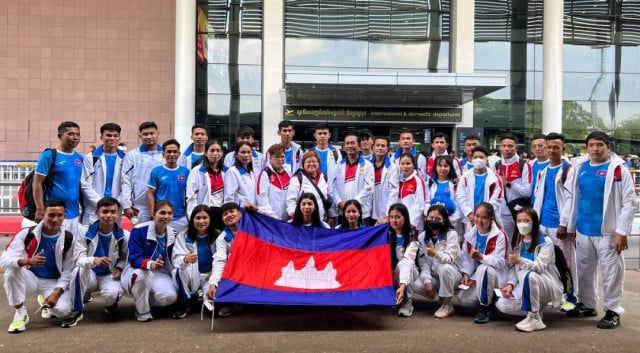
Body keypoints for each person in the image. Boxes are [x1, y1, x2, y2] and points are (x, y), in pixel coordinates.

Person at [558, 131, 636, 329]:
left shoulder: (618, 170)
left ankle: (612, 310)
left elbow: (629, 202)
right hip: (583, 230)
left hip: (608, 232)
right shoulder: (581, 168)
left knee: (612, 272)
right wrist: (568, 224)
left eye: (600, 144)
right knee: (584, 270)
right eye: (591, 145)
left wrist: (622, 232)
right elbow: (573, 199)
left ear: (608, 146)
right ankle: (587, 304)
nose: (595, 148)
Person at [1, 199, 77, 332]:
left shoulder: (69, 239)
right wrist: (27, 261)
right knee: (11, 272)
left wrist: (56, 293)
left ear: (64, 216)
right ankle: (20, 313)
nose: (55, 219)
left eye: (59, 215)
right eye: (51, 215)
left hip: (53, 282)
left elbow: (68, 271)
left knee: (64, 311)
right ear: (43, 215)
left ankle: (46, 300)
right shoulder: (27, 233)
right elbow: (4, 259)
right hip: (30, 277)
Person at [495, 207, 563, 332]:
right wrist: (510, 283)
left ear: (534, 222)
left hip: (545, 283)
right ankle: (531, 313)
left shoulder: (545, 242)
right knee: (502, 304)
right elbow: (514, 269)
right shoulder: (519, 242)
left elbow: (540, 267)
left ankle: (536, 317)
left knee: (530, 275)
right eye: (519, 221)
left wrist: (520, 260)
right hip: (525, 282)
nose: (522, 224)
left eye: (526, 221)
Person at [532, 132, 576, 309]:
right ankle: (552, 295)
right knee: (546, 261)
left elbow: (570, 199)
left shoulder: (568, 170)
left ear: (563, 149)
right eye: (549, 147)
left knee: (566, 263)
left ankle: (571, 299)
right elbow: (539, 198)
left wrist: (564, 223)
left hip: (560, 226)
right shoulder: (543, 171)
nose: (552, 150)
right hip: (543, 224)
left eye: (556, 147)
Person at [396, 204, 461, 319]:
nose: (433, 221)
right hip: (435, 275)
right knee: (417, 285)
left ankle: (447, 303)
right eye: (431, 218)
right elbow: (423, 262)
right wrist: (427, 281)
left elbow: (450, 259)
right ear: (426, 218)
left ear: (444, 220)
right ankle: (439, 299)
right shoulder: (422, 237)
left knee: (444, 267)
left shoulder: (451, 234)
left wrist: (435, 253)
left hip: (452, 274)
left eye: (437, 219)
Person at [70, 197, 129, 322]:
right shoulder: (84, 231)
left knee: (111, 295)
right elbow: (78, 258)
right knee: (77, 271)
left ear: (118, 214)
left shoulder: (124, 235)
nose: (109, 215)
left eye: (113, 212)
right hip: (89, 273)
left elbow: (125, 258)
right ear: (97, 213)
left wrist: (119, 268)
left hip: (109, 275)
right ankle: (77, 310)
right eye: (105, 212)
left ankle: (111, 305)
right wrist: (93, 260)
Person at [121, 201, 177, 322]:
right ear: (153, 214)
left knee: (170, 297)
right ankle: (142, 310)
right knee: (142, 274)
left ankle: (143, 298)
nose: (166, 216)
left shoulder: (173, 233)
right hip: (139, 269)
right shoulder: (139, 230)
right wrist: (150, 263)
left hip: (160, 273)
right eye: (162, 213)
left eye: (169, 213)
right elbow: (134, 258)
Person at [456, 202, 509, 324]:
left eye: (484, 218)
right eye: (477, 216)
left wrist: (481, 257)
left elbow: (500, 262)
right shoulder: (470, 234)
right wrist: (466, 274)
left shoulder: (500, 235)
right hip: (478, 276)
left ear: (492, 218)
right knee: (463, 299)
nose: (480, 220)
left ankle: (484, 308)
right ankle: (492, 301)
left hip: (496, 275)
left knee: (484, 269)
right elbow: (467, 258)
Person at [31, 121, 83, 236]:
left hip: (74, 214)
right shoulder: (48, 156)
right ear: (60, 136)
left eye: (77, 134)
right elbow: (37, 183)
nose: (75, 137)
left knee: (70, 250)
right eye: (70, 134)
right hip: (54, 215)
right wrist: (40, 209)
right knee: (52, 248)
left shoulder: (80, 158)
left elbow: (80, 186)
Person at [171, 205, 219, 319]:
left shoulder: (217, 235)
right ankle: (184, 302)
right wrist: (185, 259)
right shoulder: (183, 235)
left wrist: (214, 272)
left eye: (205, 218)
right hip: (192, 276)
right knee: (178, 271)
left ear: (210, 219)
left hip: (210, 277)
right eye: (198, 218)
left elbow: (223, 259)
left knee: (212, 305)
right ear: (192, 219)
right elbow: (176, 259)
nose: (201, 221)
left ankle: (200, 297)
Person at [80, 122, 125, 225]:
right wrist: (100, 203)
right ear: (101, 137)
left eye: (115, 136)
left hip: (115, 208)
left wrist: (116, 204)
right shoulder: (91, 158)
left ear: (119, 138)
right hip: (94, 208)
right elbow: (85, 184)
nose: (112, 138)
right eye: (108, 135)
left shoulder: (125, 159)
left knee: (112, 238)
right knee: (90, 239)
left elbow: (127, 186)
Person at [121, 121, 164, 223]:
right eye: (145, 134)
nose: (149, 136)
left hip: (163, 203)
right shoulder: (132, 156)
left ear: (158, 134)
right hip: (140, 206)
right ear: (140, 136)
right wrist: (126, 205)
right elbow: (125, 181)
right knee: (141, 235)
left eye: (152, 133)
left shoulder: (166, 154)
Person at [206, 202, 243, 317]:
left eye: (232, 211)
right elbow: (220, 260)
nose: (229, 215)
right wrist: (213, 283)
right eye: (225, 214)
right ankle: (232, 304)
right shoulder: (222, 238)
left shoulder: (252, 229)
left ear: (240, 214)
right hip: (237, 272)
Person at [455, 146, 502, 234]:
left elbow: (497, 198)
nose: (478, 160)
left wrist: (484, 215)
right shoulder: (465, 177)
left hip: (488, 218)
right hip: (470, 218)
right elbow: (460, 196)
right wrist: (470, 214)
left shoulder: (495, 178)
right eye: (475, 157)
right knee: (470, 243)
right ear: (471, 159)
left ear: (486, 159)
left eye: (481, 157)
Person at [148, 139, 191, 232]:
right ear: (163, 154)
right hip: (162, 216)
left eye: (175, 152)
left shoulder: (186, 172)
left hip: (181, 217)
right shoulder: (156, 171)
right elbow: (151, 193)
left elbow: (188, 195)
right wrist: (152, 212)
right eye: (169, 152)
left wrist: (188, 213)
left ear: (179, 154)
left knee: (179, 244)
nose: (172, 154)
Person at [333, 131, 374, 226]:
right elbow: (333, 186)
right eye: (347, 143)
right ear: (343, 147)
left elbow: (368, 188)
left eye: (353, 143)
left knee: (362, 239)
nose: (350, 146)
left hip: (362, 212)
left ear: (359, 146)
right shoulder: (339, 165)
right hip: (343, 212)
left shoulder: (368, 166)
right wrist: (339, 202)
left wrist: (353, 205)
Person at [496, 134, 532, 238]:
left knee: (523, 241)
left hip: (520, 212)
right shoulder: (497, 165)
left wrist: (508, 184)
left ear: (516, 148)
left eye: (510, 146)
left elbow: (527, 191)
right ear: (500, 147)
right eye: (504, 145)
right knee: (506, 244)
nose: (507, 149)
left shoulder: (524, 165)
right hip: (502, 213)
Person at [185, 139, 226, 230]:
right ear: (206, 153)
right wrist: (193, 216)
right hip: (205, 212)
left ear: (222, 153)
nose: (215, 153)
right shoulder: (197, 171)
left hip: (222, 213)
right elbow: (191, 196)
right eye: (212, 150)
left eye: (218, 151)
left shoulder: (227, 171)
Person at [287, 150, 334, 223]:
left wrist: (332, 215)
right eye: (308, 162)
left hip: (321, 221)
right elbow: (291, 200)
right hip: (302, 222)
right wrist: (294, 217)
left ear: (318, 163)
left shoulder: (324, 177)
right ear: (303, 164)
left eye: (314, 161)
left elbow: (330, 196)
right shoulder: (297, 179)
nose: (311, 164)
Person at [386, 203, 416, 317]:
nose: (394, 220)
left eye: (398, 217)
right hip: (390, 273)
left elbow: (409, 261)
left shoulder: (412, 238)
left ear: (405, 218)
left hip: (409, 274)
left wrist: (402, 286)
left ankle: (407, 300)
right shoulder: (385, 235)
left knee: (404, 263)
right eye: (391, 217)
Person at [386, 153, 427, 233]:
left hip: (414, 225)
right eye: (403, 164)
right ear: (399, 165)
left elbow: (420, 204)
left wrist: (413, 222)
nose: (405, 166)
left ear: (413, 165)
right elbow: (393, 199)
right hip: (398, 223)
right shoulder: (397, 180)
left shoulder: (418, 180)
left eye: (408, 164)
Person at [427, 155, 463, 232]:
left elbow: (459, 203)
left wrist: (450, 220)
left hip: (451, 222)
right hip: (433, 222)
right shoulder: (429, 183)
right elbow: (426, 201)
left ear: (450, 167)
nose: (443, 168)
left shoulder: (456, 183)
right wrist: (430, 217)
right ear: (435, 167)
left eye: (446, 166)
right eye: (440, 166)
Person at [257, 144, 291, 221]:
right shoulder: (264, 174)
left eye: (282, 156)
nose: (280, 159)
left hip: (287, 219)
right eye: (277, 157)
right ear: (270, 158)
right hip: (271, 219)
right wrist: (272, 217)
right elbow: (262, 199)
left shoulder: (288, 172)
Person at [223, 141, 259, 211]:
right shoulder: (232, 171)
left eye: (249, 152)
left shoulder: (251, 172)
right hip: (240, 212)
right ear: (236, 155)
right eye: (243, 152)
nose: (246, 155)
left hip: (252, 211)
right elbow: (229, 198)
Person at [371, 136, 396, 225]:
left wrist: (387, 213)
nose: (380, 148)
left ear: (387, 149)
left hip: (383, 212)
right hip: (368, 211)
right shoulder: (367, 166)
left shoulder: (392, 168)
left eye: (383, 146)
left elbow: (393, 192)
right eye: (377, 145)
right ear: (373, 147)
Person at [309, 122, 341, 187]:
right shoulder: (308, 153)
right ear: (315, 135)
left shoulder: (336, 152)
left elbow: (340, 173)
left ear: (329, 135)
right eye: (320, 133)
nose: (322, 136)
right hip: (313, 188)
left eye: (325, 133)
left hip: (331, 190)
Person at [529, 133, 549, 206]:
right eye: (534, 146)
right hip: (531, 206)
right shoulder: (529, 166)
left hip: (548, 208)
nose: (537, 148)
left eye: (540, 146)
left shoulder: (555, 165)